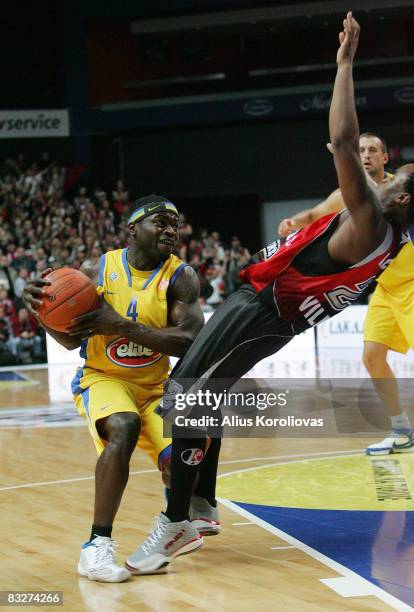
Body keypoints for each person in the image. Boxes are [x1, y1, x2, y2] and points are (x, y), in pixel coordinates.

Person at [126, 13, 414, 574]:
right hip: (264, 308)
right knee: (204, 390)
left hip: (263, 311)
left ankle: (176, 522)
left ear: (400, 200)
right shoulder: (374, 227)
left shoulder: (371, 222)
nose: (389, 176)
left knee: (185, 395)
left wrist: (345, 64)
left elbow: (341, 140)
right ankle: (203, 503)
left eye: (398, 178)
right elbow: (325, 201)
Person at [22, 195, 204, 582]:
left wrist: (120, 324)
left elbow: (190, 341)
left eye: (175, 223)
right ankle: (95, 547)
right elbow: (72, 341)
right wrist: (42, 312)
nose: (171, 230)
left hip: (155, 387)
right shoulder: (96, 270)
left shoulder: (180, 276)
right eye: (161, 222)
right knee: (123, 425)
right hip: (104, 378)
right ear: (133, 228)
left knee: (185, 455)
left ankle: (171, 530)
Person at [278, 135, 414, 458]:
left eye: (371, 151)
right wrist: (292, 222)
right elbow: (314, 214)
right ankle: (401, 431)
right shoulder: (348, 193)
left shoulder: (403, 187)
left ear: (384, 158)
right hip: (386, 287)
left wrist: (346, 156)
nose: (365, 155)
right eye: (360, 150)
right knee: (372, 357)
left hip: (412, 283)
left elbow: (378, 200)